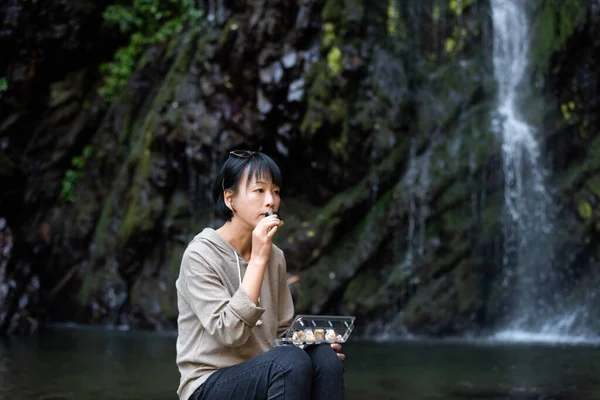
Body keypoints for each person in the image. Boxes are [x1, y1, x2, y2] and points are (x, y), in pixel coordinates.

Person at [175, 150, 346, 400]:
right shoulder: (200, 255)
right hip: (207, 384)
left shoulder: (274, 255)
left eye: (275, 192)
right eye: (259, 191)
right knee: (288, 362)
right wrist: (258, 259)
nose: (271, 201)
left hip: (266, 370)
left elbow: (281, 334)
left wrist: (315, 343)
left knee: (324, 358)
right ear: (230, 199)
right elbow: (229, 332)